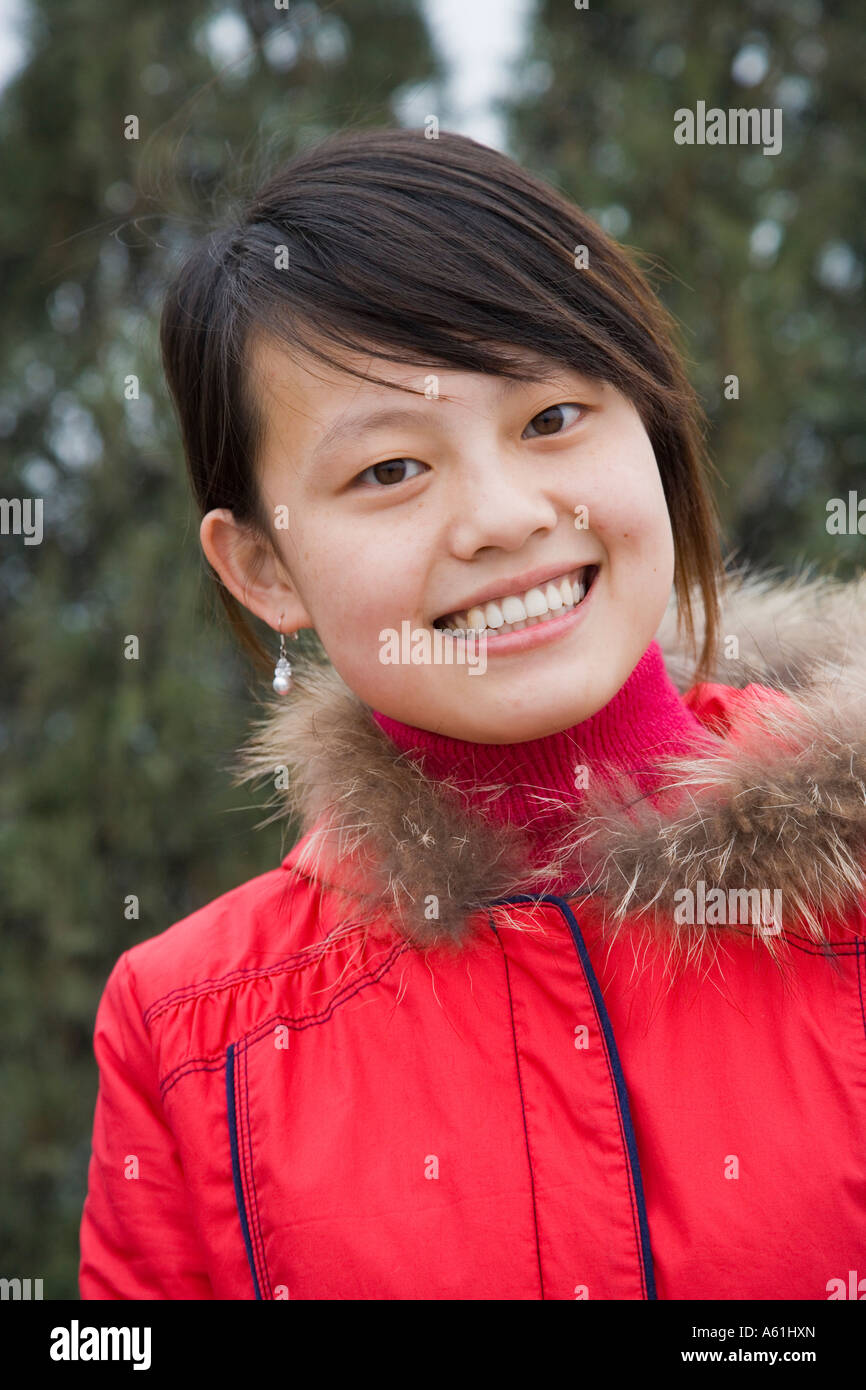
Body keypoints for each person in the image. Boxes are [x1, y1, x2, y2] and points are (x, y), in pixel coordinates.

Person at [78, 126, 866, 1300]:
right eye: (388, 470)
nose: (501, 516)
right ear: (263, 569)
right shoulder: (190, 1031)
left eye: (551, 418)